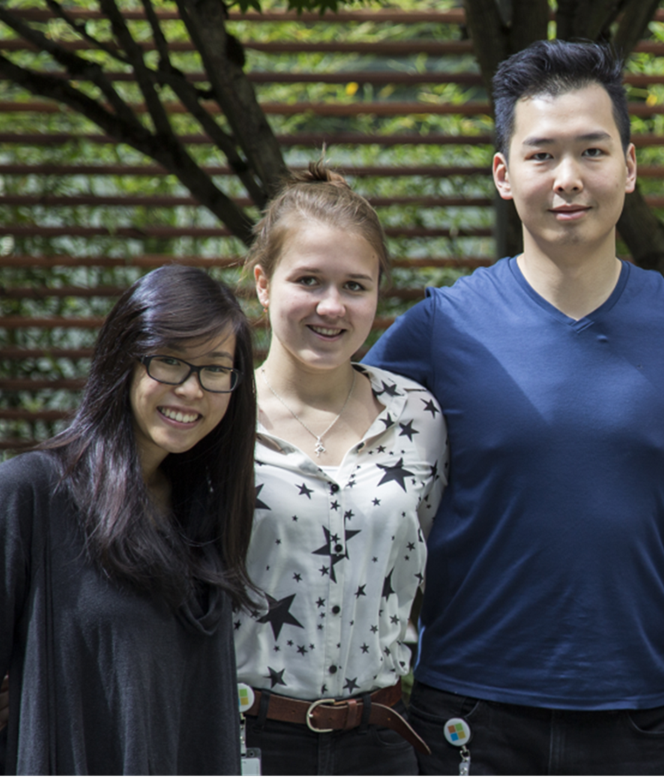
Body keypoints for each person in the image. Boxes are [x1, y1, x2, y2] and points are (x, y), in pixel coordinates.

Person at [362, 40, 664, 775]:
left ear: (630, 166)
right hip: (468, 709)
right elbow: (321, 427)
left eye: (592, 151)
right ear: (504, 174)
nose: (569, 178)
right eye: (542, 155)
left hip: (636, 710)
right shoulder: (442, 326)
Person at [0, 265, 258, 775]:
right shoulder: (29, 494)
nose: (192, 389)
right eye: (170, 361)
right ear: (123, 360)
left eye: (215, 369)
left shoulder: (205, 510)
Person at [233, 162, 447, 775]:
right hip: (245, 738)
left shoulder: (418, 415)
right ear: (264, 283)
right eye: (309, 280)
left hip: (380, 742)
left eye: (355, 286)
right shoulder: (219, 413)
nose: (331, 306)